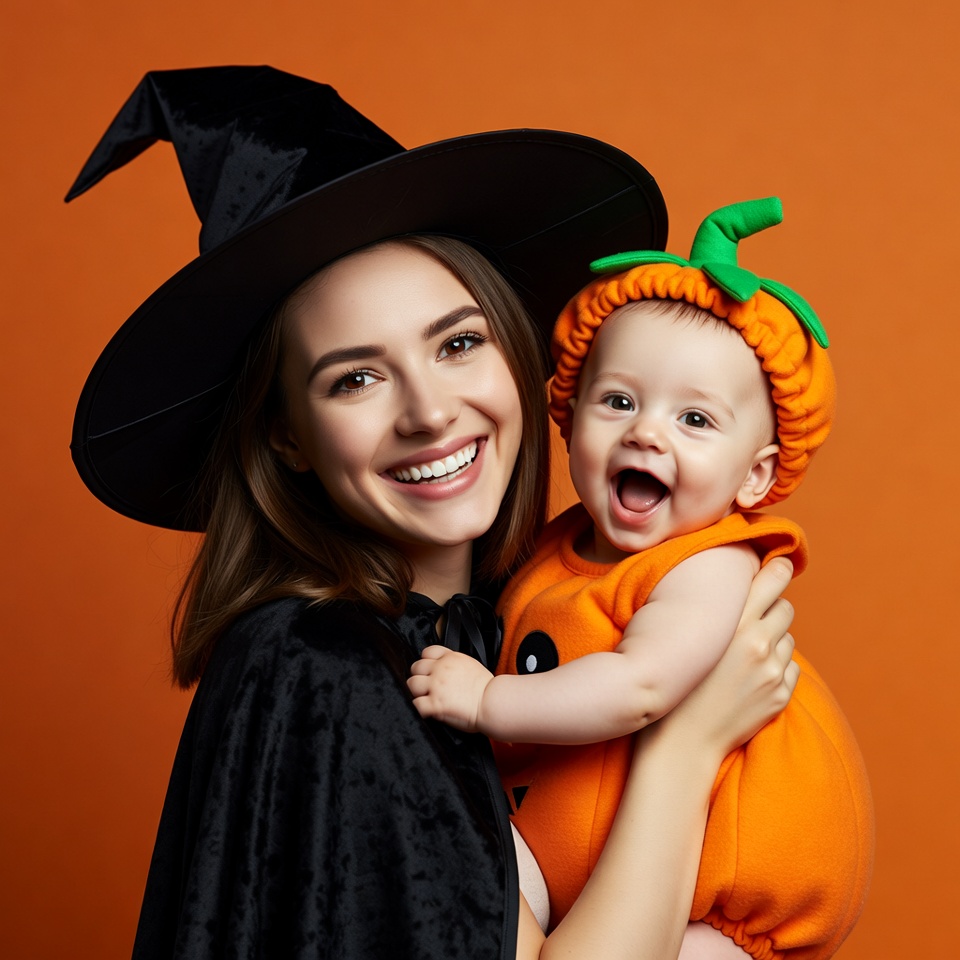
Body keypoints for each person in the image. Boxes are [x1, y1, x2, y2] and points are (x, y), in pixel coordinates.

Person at [68, 67, 800, 960]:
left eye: (458, 343)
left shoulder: (514, 622)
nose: (428, 412)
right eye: (356, 378)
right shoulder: (327, 669)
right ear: (288, 435)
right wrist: (687, 744)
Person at [409, 199, 874, 958]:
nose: (647, 431)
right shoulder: (556, 544)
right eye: (619, 401)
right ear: (568, 415)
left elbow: (641, 686)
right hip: (567, 854)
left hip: (711, 900)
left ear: (755, 476)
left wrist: (489, 699)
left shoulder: (712, 564)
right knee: (477, 882)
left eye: (695, 420)